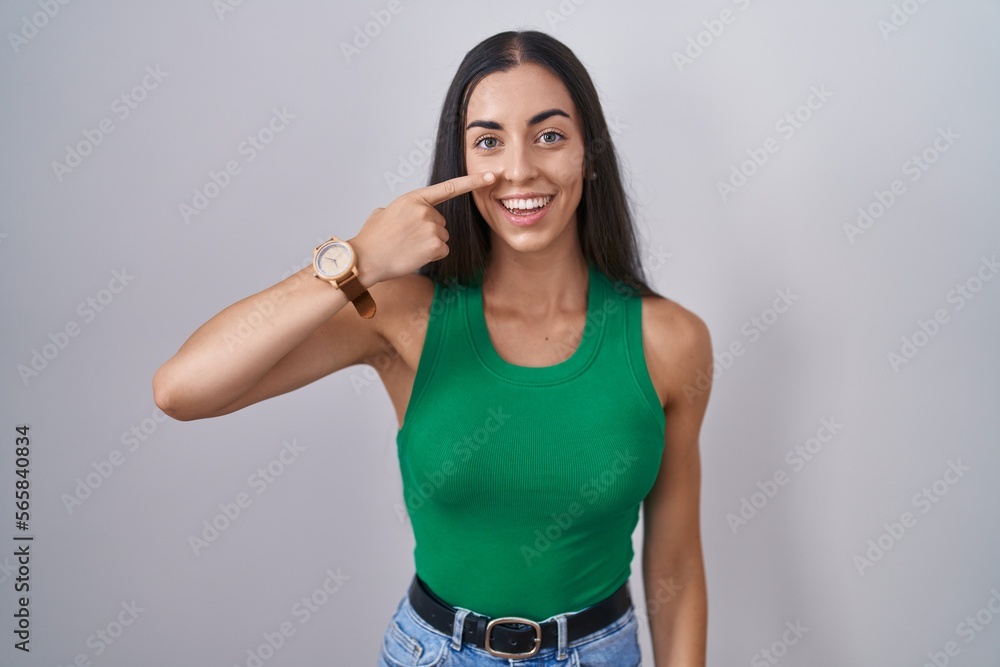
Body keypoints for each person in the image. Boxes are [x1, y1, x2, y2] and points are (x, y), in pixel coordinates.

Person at [153, 29, 711, 667]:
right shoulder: (398, 311)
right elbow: (181, 391)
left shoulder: (670, 340)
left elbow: (677, 566)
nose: (521, 168)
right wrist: (355, 260)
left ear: (589, 154)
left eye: (550, 135)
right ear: (461, 161)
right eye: (488, 141)